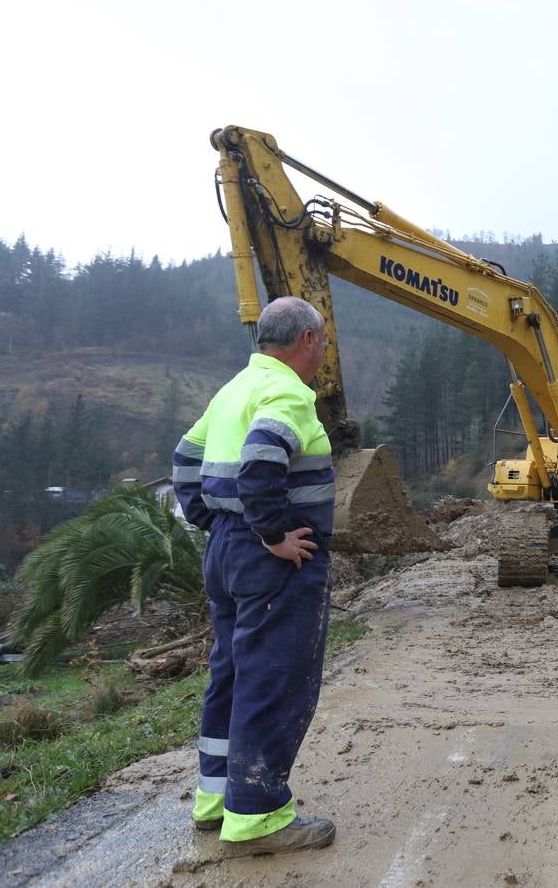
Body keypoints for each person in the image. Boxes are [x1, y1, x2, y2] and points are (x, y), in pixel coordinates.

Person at [172, 296, 337, 855]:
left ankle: (215, 798)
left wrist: (214, 524)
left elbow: (184, 458)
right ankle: (259, 815)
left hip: (226, 553)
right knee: (273, 679)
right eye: (323, 341)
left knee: (233, 674)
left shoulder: (231, 391)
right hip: (271, 561)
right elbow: (264, 455)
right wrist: (271, 535)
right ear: (308, 340)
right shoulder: (287, 392)